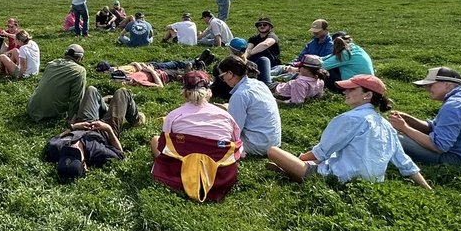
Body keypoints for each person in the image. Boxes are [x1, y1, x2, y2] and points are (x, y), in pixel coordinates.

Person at [266, 75, 432, 189]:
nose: (346, 92)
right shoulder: (386, 124)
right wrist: (427, 188)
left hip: (339, 178)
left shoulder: (350, 119)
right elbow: (404, 162)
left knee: (273, 151)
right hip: (371, 182)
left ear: (367, 95)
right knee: (331, 158)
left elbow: (320, 153)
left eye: (352, 89)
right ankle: (292, 172)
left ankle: (294, 172)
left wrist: (298, 158)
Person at [151, 70, 243, 201]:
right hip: (220, 178)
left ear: (185, 93)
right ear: (208, 91)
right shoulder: (225, 116)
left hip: (179, 173)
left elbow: (164, 144)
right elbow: (235, 142)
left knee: (156, 140)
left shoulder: (174, 115)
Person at [41, 88, 139, 182]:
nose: (74, 147)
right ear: (85, 166)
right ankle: (136, 119)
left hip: (82, 123)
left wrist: (74, 127)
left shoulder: (56, 148)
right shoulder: (98, 153)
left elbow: (56, 138)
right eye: (76, 154)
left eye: (68, 152)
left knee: (91, 90)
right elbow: (120, 154)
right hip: (104, 130)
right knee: (122, 93)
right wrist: (108, 129)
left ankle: (103, 107)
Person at [215, 56, 281, 156]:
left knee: (214, 139)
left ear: (230, 74)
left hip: (257, 145)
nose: (222, 79)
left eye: (222, 76)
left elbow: (234, 130)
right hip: (273, 142)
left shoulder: (240, 95)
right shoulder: (259, 84)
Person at [27, 43, 89, 121]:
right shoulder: (79, 71)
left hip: (32, 107)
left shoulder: (51, 64)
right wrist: (73, 119)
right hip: (50, 114)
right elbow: (76, 99)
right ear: (80, 58)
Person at [245, 16, 281, 85]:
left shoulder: (272, 36)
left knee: (264, 60)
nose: (262, 26)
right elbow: (248, 48)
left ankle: (267, 84)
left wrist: (250, 53)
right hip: (255, 61)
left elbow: (265, 44)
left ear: (270, 27)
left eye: (265, 25)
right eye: (259, 25)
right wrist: (245, 56)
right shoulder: (253, 38)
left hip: (270, 63)